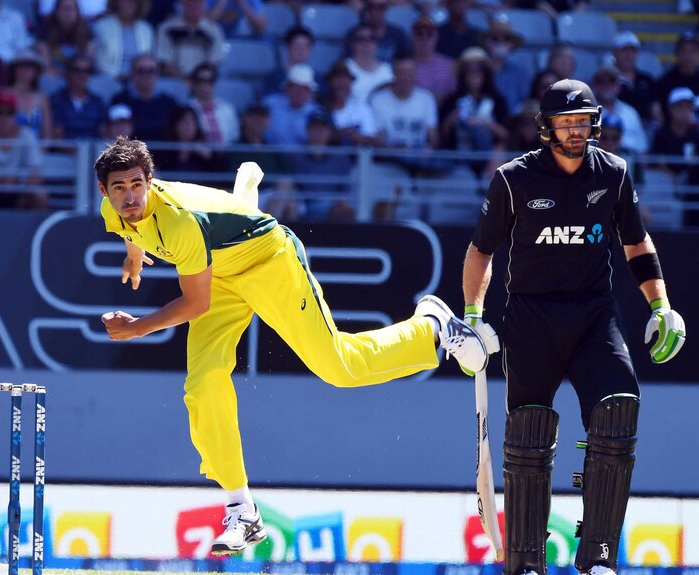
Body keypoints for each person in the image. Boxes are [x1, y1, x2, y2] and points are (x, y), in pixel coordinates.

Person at [96, 136, 488, 556]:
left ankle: (430, 327)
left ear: (150, 182)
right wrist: (134, 254)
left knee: (339, 367)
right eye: (119, 188)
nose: (129, 196)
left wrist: (138, 328)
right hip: (220, 273)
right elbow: (131, 226)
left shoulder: (178, 222)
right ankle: (241, 510)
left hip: (268, 262)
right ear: (104, 191)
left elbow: (196, 303)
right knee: (204, 384)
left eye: (137, 185)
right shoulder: (114, 211)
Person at [461, 79, 686, 575]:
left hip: (592, 313)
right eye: (567, 123)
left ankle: (599, 555)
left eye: (583, 121)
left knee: (618, 409)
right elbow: (481, 250)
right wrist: (473, 319)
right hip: (531, 316)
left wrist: (660, 305)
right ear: (547, 128)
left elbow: (636, 242)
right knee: (529, 431)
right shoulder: (512, 179)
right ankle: (526, 562)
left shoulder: (614, 173)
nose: (576, 131)